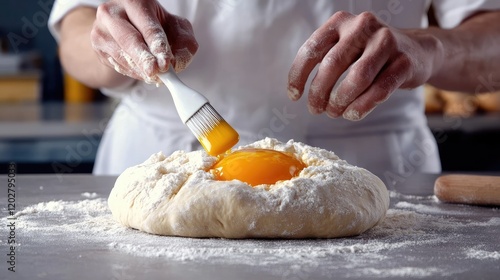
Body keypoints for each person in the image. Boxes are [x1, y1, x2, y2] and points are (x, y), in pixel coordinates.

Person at [49, 0, 500, 183]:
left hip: (374, 171)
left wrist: (431, 48)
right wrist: (110, 47)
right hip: (162, 164)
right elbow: (75, 28)